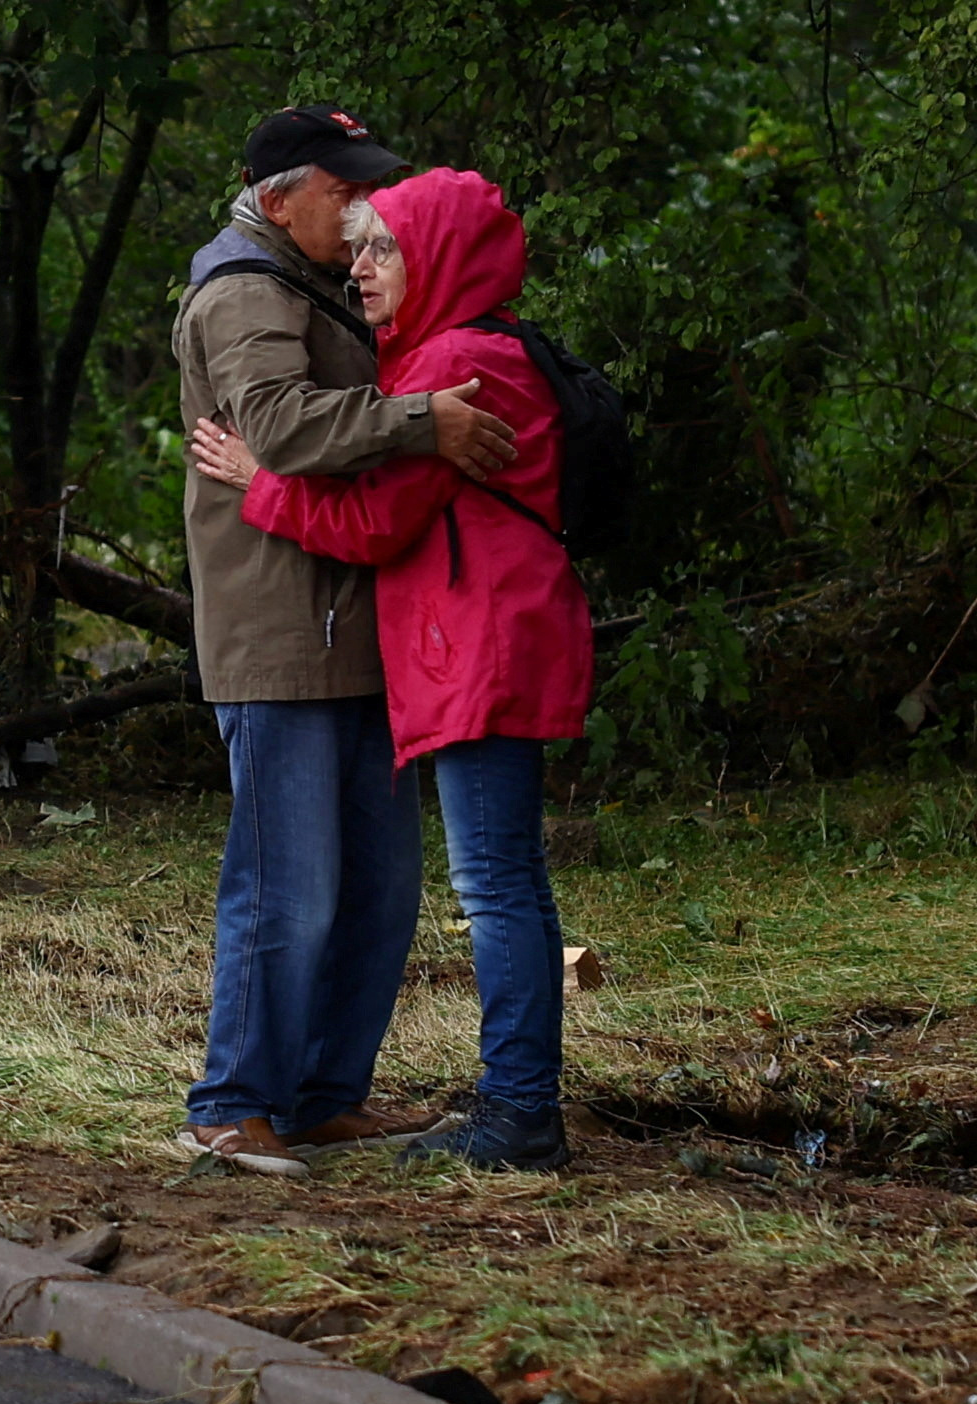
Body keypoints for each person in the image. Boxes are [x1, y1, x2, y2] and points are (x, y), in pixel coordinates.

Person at [187, 167, 594, 1169]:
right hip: (482, 639)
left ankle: (517, 1113)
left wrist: (257, 479)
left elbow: (373, 522)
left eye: (384, 249)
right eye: (358, 246)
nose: (361, 267)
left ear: (439, 259)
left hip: (477, 644)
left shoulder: (459, 362)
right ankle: (513, 1102)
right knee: (507, 883)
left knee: (494, 887)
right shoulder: (475, 347)